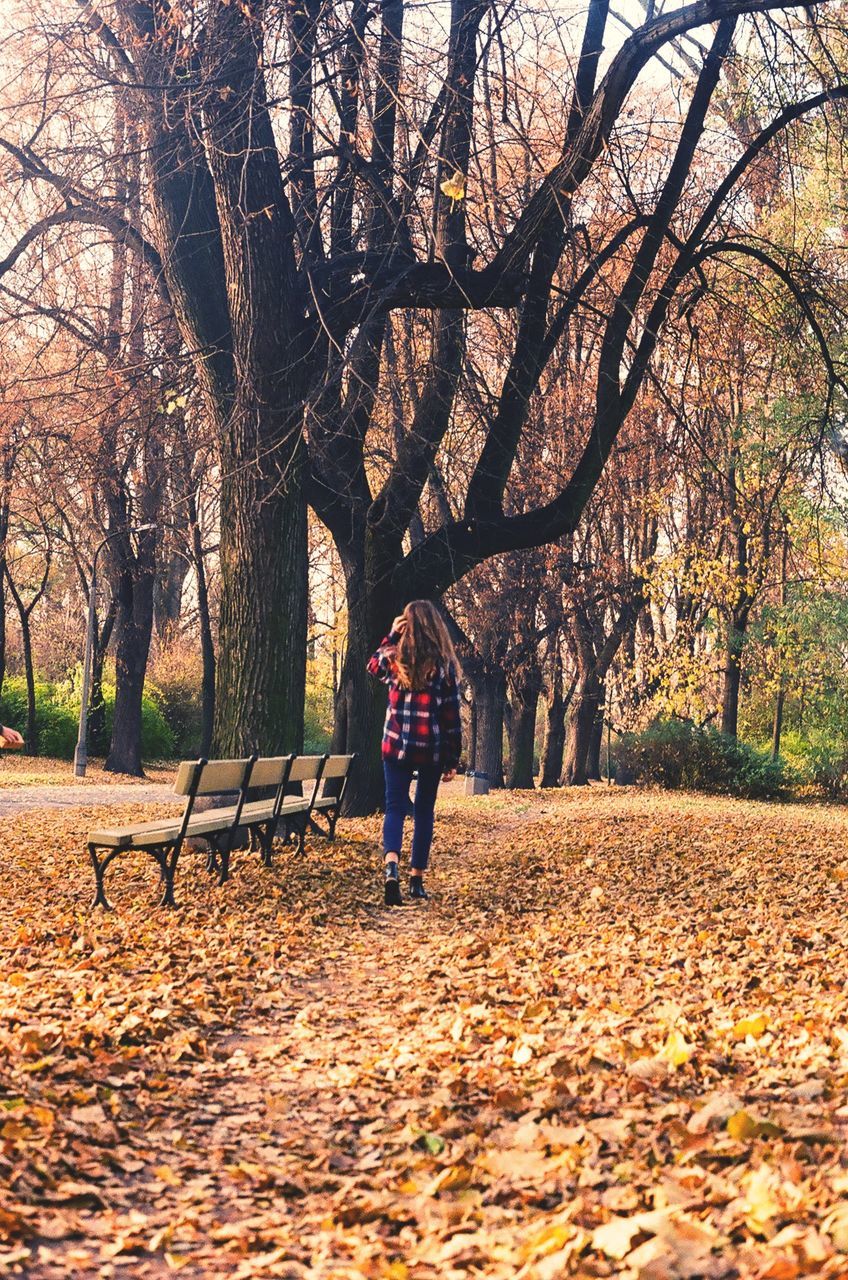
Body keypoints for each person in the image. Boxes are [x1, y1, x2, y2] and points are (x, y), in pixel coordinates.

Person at [367, 600, 462, 906]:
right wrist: (452, 759)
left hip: (395, 746)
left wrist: (391, 637)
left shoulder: (394, 659)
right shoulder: (444, 665)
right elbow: (450, 717)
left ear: (405, 625)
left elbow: (372, 667)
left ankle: (391, 866)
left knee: (394, 807)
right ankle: (417, 880)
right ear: (436, 627)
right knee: (423, 812)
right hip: (430, 748)